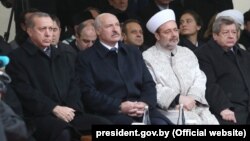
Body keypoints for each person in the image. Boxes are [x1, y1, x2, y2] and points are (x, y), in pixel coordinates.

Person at [5, 12, 111, 141]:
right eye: (42, 29)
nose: (48, 33)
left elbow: (74, 83)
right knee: (63, 133)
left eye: (51, 29)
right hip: (39, 116)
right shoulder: (17, 58)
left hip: (69, 112)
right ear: (29, 31)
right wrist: (53, 108)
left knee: (106, 127)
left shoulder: (63, 54)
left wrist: (71, 109)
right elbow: (25, 92)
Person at [76, 13, 172, 125]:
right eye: (109, 26)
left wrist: (145, 103)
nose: (115, 29)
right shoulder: (86, 58)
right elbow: (88, 93)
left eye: (117, 25)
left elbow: (149, 83)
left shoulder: (133, 52)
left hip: (141, 110)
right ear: (97, 31)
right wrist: (119, 106)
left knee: (162, 124)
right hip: (111, 113)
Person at [143, 9, 218, 124]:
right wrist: (178, 99)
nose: (173, 35)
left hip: (195, 106)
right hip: (168, 110)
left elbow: (200, 78)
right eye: (167, 32)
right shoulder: (147, 57)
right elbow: (150, 86)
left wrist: (192, 98)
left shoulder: (187, 52)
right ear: (157, 36)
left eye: (175, 30)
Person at [195, 16, 250, 124]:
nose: (231, 36)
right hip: (228, 110)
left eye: (234, 32)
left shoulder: (243, 54)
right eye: (226, 32)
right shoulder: (204, 54)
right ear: (215, 35)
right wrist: (223, 107)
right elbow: (209, 84)